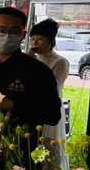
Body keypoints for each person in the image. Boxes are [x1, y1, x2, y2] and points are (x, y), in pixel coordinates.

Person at [0, 7, 61, 137]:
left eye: (14, 31)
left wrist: (13, 105)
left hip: (19, 148)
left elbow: (53, 115)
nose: (7, 35)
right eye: (1, 30)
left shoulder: (39, 71)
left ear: (23, 35)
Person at [29, 19, 70, 155]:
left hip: (49, 109)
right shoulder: (30, 59)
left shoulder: (60, 62)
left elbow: (53, 87)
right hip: (30, 109)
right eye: (32, 39)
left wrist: (32, 65)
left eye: (39, 39)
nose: (34, 43)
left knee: (48, 149)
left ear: (50, 41)